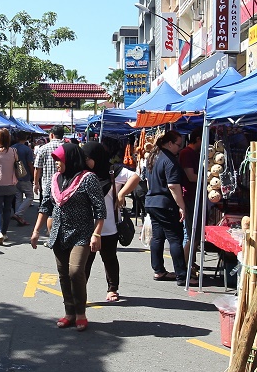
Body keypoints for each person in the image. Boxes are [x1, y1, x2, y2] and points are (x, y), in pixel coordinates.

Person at [30, 144, 105, 331]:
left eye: (59, 160)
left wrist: (97, 234)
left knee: (75, 272)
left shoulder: (88, 179)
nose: (56, 164)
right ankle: (69, 313)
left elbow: (100, 209)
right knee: (63, 275)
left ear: (71, 159)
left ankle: (81, 313)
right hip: (59, 234)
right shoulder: (54, 179)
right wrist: (36, 231)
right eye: (55, 160)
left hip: (82, 234)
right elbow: (45, 206)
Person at [82, 141, 140, 302]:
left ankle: (112, 288)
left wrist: (121, 194)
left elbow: (135, 176)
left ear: (96, 157)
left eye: (87, 158)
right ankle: (80, 292)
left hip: (109, 227)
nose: (85, 162)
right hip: (87, 226)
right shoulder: (84, 173)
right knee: (85, 262)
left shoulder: (113, 171)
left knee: (109, 259)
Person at [145, 130, 190, 285]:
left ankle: (158, 270)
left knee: (158, 237)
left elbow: (148, 182)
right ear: (169, 143)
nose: (180, 148)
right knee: (175, 238)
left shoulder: (153, 157)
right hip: (164, 204)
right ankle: (182, 275)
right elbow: (173, 185)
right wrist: (181, 206)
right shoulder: (169, 160)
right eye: (178, 145)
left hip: (152, 202)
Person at [0, 128, 19, 246]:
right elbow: (18, 165)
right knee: (7, 209)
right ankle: (4, 233)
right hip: (10, 184)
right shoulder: (14, 151)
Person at [179, 128, 203, 268]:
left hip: (194, 196)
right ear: (199, 139)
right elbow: (190, 176)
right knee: (190, 232)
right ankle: (186, 265)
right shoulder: (186, 153)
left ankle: (190, 263)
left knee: (195, 233)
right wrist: (207, 177)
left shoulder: (193, 153)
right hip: (189, 196)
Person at [33, 125, 66, 201]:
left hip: (47, 186)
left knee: (46, 210)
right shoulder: (67, 148)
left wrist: (36, 184)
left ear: (51, 135)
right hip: (63, 187)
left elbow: (37, 168)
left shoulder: (43, 148)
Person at [12, 131, 35, 226]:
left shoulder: (12, 148)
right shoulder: (27, 149)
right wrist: (34, 175)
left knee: (18, 197)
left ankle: (19, 217)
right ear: (26, 139)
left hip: (14, 175)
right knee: (30, 196)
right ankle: (18, 214)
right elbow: (30, 164)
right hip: (24, 175)